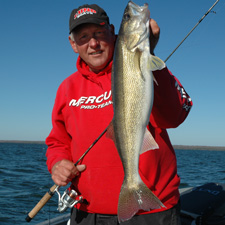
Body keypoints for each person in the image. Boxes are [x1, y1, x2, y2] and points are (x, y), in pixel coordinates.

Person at [46, 3, 193, 225]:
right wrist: (57, 163)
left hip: (153, 211)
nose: (93, 43)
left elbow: (174, 117)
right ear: (73, 44)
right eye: (84, 36)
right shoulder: (67, 88)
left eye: (99, 33)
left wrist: (150, 55)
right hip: (88, 212)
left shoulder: (147, 66)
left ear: (114, 32)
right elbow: (58, 140)